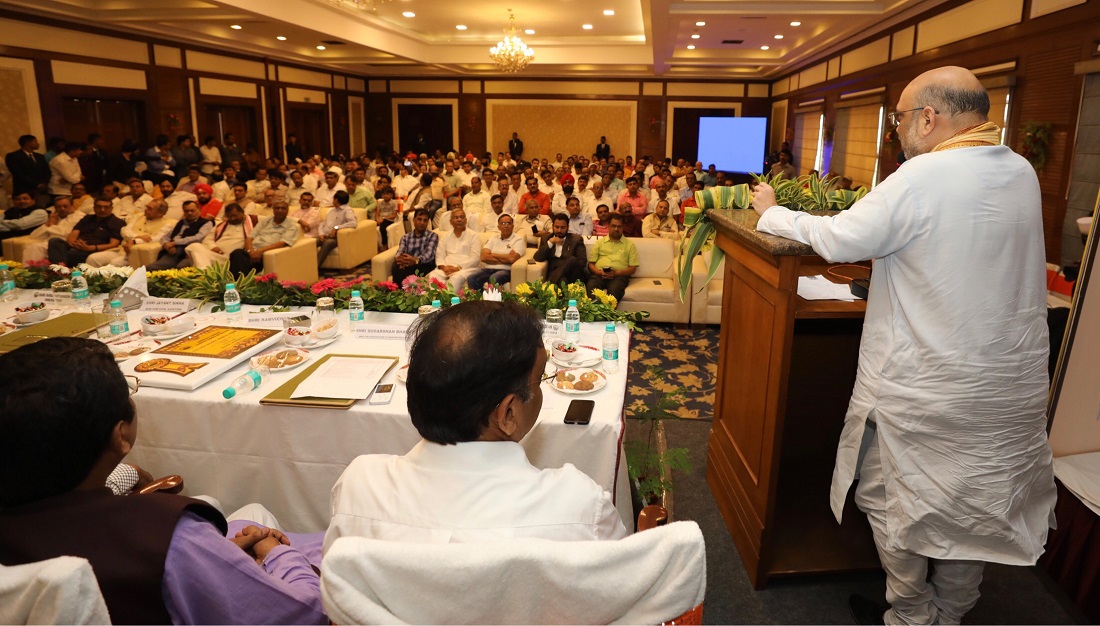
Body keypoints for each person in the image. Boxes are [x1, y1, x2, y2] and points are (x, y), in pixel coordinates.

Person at [751, 66, 1057, 626]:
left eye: (898, 119)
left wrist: (771, 209)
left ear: (929, 118)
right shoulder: (1019, 171)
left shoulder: (924, 176)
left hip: (928, 385)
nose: (896, 131)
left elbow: (842, 235)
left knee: (886, 498)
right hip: (1003, 387)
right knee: (970, 510)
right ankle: (951, 611)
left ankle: (913, 613)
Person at [0, 338, 327, 625]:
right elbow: (305, 615)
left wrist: (214, 558)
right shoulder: (171, 540)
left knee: (243, 519)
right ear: (121, 435)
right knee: (271, 526)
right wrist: (275, 553)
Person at [324, 301, 628, 551]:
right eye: (540, 379)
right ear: (508, 414)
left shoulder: (358, 487)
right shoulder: (579, 507)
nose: (541, 389)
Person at [86, 199, 175, 268]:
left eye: (150, 209)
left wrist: (135, 242)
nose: (146, 210)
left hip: (136, 254)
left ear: (160, 213)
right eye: (146, 206)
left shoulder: (168, 224)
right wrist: (135, 237)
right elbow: (124, 231)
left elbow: (156, 239)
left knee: (115, 263)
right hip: (121, 249)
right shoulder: (138, 216)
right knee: (93, 258)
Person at [230, 200, 301, 275]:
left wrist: (260, 251)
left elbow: (282, 243)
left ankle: (238, 283)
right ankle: (239, 282)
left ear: (287, 210)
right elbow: (249, 238)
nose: (280, 210)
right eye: (277, 208)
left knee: (239, 260)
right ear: (273, 210)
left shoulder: (291, 225)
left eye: (283, 208)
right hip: (252, 252)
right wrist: (251, 252)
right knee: (236, 253)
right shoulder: (266, 221)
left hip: (265, 255)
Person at [47, 198, 124, 266]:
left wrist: (90, 248)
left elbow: (113, 244)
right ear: (94, 208)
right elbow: (74, 233)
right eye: (99, 207)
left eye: (106, 207)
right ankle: (59, 269)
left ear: (111, 208)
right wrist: (73, 243)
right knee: (54, 241)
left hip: (95, 250)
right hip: (78, 246)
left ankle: (59, 270)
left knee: (66, 254)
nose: (102, 210)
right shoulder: (88, 218)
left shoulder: (116, 222)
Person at [146, 201, 213, 270]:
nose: (189, 213)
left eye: (192, 210)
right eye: (186, 211)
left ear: (199, 210)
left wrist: (174, 243)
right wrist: (166, 244)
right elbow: (166, 236)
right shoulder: (181, 222)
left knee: (180, 268)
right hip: (172, 252)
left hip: (189, 253)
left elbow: (198, 238)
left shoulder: (206, 223)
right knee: (150, 268)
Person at [586, 214, 637, 303]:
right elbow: (591, 264)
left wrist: (617, 273)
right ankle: (597, 314)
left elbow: (633, 268)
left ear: (623, 227)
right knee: (591, 286)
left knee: (615, 290)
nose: (616, 229)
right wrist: (598, 272)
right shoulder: (600, 243)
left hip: (619, 277)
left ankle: (607, 315)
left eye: (619, 226)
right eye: (613, 226)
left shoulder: (630, 244)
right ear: (608, 226)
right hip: (599, 275)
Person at [466, 213, 525, 290]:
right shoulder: (493, 238)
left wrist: (492, 254)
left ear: (513, 226)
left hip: (506, 270)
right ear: (498, 227)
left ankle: (492, 302)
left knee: (494, 278)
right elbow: (483, 257)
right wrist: (506, 257)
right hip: (488, 269)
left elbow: (512, 259)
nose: (506, 225)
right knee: (471, 278)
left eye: (509, 223)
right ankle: (479, 301)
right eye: (503, 223)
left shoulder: (518, 240)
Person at [427, 208, 480, 291]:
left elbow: (475, 259)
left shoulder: (474, 236)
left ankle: (449, 301)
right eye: (456, 217)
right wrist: (444, 267)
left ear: (466, 220)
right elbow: (440, 255)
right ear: (450, 221)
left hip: (465, 268)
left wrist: (458, 267)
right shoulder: (446, 236)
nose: (459, 219)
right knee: (433, 276)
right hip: (447, 267)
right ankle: (436, 300)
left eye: (462, 217)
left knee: (456, 278)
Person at [187, 203, 251, 269]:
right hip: (216, 255)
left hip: (233, 258)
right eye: (229, 216)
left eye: (235, 215)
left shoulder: (252, 222)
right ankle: (204, 270)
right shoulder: (221, 225)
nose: (232, 219)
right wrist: (214, 247)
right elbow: (207, 239)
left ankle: (204, 272)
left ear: (242, 212)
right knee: (194, 246)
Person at [535, 213, 589, 287]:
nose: (559, 230)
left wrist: (567, 265)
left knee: (572, 259)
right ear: (552, 226)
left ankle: (545, 288)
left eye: (563, 227)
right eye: (557, 227)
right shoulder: (546, 239)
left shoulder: (576, 239)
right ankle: (550, 288)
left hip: (573, 274)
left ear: (568, 227)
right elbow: (538, 257)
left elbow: (582, 262)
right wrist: (551, 242)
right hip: (555, 274)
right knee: (562, 281)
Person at [392, 208, 438, 285]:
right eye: (419, 219)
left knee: (408, 269)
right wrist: (399, 259)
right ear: (414, 220)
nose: (422, 223)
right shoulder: (406, 237)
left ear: (427, 222)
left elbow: (429, 255)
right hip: (408, 263)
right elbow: (400, 251)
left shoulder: (432, 236)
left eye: (425, 220)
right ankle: (397, 292)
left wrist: (415, 260)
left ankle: (404, 292)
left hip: (423, 264)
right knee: (395, 266)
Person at [5, 134, 51, 204]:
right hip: (24, 190)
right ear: (28, 143)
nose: (38, 144)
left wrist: (44, 183)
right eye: (35, 141)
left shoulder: (40, 156)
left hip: (41, 191)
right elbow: (18, 174)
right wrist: (36, 185)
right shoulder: (13, 156)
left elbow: (47, 172)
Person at [316, 190, 357, 266]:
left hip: (335, 238)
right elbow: (323, 223)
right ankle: (303, 265)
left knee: (327, 243)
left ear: (336, 200)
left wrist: (336, 227)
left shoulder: (347, 210)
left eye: (333, 198)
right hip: (324, 235)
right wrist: (321, 234)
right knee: (310, 242)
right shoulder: (331, 211)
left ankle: (314, 267)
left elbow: (353, 223)